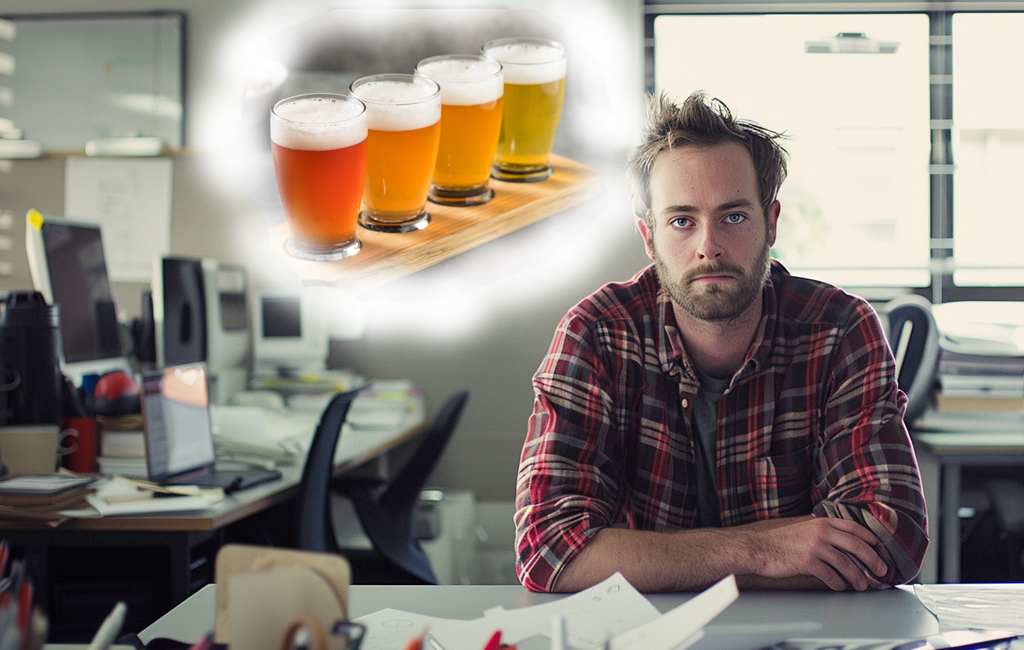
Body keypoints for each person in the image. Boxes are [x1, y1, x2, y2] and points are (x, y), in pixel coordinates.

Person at [515, 91, 928, 593]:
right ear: (649, 238)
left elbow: (892, 538)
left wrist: (657, 562)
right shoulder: (596, 334)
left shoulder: (840, 329)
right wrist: (764, 550)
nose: (708, 246)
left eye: (733, 216)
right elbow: (547, 550)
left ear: (770, 222)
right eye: (682, 221)